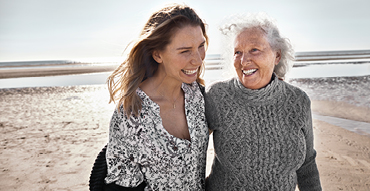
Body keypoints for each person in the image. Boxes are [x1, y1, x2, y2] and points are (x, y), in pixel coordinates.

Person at [205, 13, 322, 191]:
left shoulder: (298, 101)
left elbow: (307, 165)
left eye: (254, 50)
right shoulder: (217, 96)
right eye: (238, 52)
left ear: (277, 55)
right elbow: (192, 154)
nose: (244, 61)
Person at [104, 4, 209, 190]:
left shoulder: (198, 95)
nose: (198, 60)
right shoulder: (130, 114)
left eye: (201, 46)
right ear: (157, 54)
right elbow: (120, 185)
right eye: (185, 51)